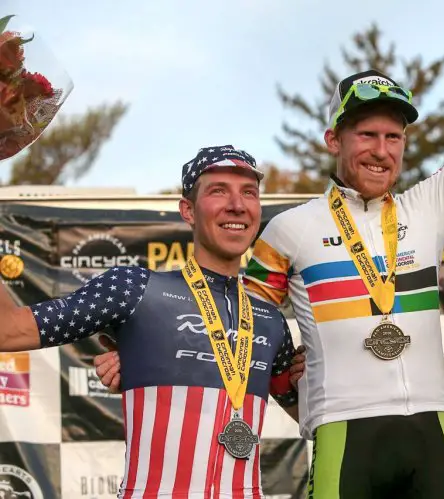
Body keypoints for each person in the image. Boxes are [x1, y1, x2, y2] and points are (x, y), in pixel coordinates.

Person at [98, 0, 444, 495]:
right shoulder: (289, 230)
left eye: (394, 137)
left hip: (432, 431)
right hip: (342, 430)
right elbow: (232, 327)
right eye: (367, 135)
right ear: (334, 139)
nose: (382, 150)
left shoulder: (430, 207)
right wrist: (147, 356)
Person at [0, 145, 303, 498]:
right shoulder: (132, 289)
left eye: (248, 192)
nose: (237, 204)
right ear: (187, 210)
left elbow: (312, 415)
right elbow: (7, 331)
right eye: (218, 190)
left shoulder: (268, 319)